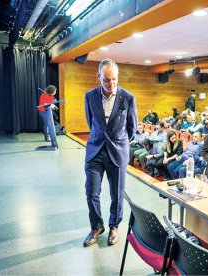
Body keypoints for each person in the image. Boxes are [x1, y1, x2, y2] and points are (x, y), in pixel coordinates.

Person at [83, 58, 138, 247]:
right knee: (91, 192)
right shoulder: (90, 96)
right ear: (98, 77)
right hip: (95, 151)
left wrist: (119, 142)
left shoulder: (128, 98)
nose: (111, 84)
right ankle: (97, 226)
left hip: (117, 151)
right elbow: (91, 123)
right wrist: (101, 137)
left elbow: (132, 128)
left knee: (117, 193)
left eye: (114, 79)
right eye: (106, 80)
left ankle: (114, 225)